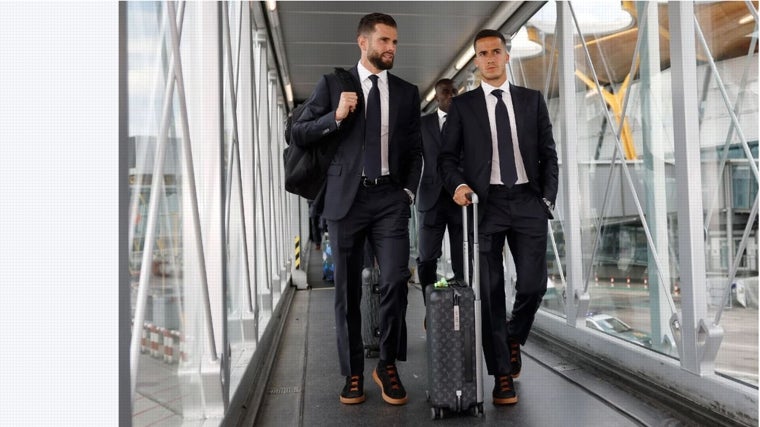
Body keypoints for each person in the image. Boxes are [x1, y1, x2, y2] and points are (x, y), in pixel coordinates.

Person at [291, 12, 422, 406]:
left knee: (397, 278)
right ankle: (352, 372)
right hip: (345, 200)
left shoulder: (405, 92)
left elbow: (415, 150)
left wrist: (408, 193)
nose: (391, 49)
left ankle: (386, 364)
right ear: (362, 43)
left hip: (389, 200)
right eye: (384, 41)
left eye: (395, 42)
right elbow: (299, 132)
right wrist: (335, 116)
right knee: (346, 292)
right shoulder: (333, 85)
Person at [438, 29, 558, 406]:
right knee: (489, 293)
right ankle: (502, 375)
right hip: (484, 206)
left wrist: (547, 200)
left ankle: (512, 337)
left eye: (495, 52)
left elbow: (548, 155)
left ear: (507, 56)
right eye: (482, 53)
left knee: (534, 285)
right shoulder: (463, 106)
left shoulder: (531, 100)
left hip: (526, 202)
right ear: (476, 60)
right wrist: (458, 186)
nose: (489, 58)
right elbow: (446, 158)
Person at [416, 78, 464, 309]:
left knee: (463, 262)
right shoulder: (423, 125)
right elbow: (413, 159)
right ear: (437, 97)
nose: (451, 95)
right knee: (426, 260)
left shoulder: (468, 123)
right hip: (431, 199)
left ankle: (462, 308)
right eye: (446, 92)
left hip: (459, 199)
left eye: (455, 91)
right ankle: (431, 308)